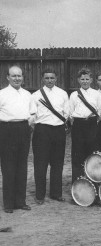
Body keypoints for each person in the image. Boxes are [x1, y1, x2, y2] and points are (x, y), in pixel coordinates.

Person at [30, 69, 69, 204]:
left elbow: (67, 112)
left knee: (57, 164)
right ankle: (40, 195)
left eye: (52, 78)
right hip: (42, 130)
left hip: (58, 130)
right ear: (42, 79)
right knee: (40, 164)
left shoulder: (63, 94)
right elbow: (32, 114)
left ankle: (56, 193)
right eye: (46, 78)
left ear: (56, 78)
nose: (49, 80)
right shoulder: (35, 95)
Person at [0, 65, 33, 213]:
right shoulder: (2, 94)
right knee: (8, 167)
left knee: (21, 167)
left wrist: (29, 124)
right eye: (14, 76)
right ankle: (8, 204)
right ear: (7, 77)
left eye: (19, 76)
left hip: (23, 130)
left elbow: (32, 113)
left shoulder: (27, 94)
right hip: (7, 130)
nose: (17, 78)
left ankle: (20, 201)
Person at [69, 67, 100, 183]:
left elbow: (100, 111)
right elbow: (71, 112)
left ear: (91, 80)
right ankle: (77, 182)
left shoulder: (96, 94)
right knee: (78, 154)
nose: (85, 81)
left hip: (92, 125)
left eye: (87, 79)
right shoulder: (73, 95)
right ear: (78, 80)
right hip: (78, 125)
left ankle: (92, 181)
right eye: (82, 79)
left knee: (92, 153)